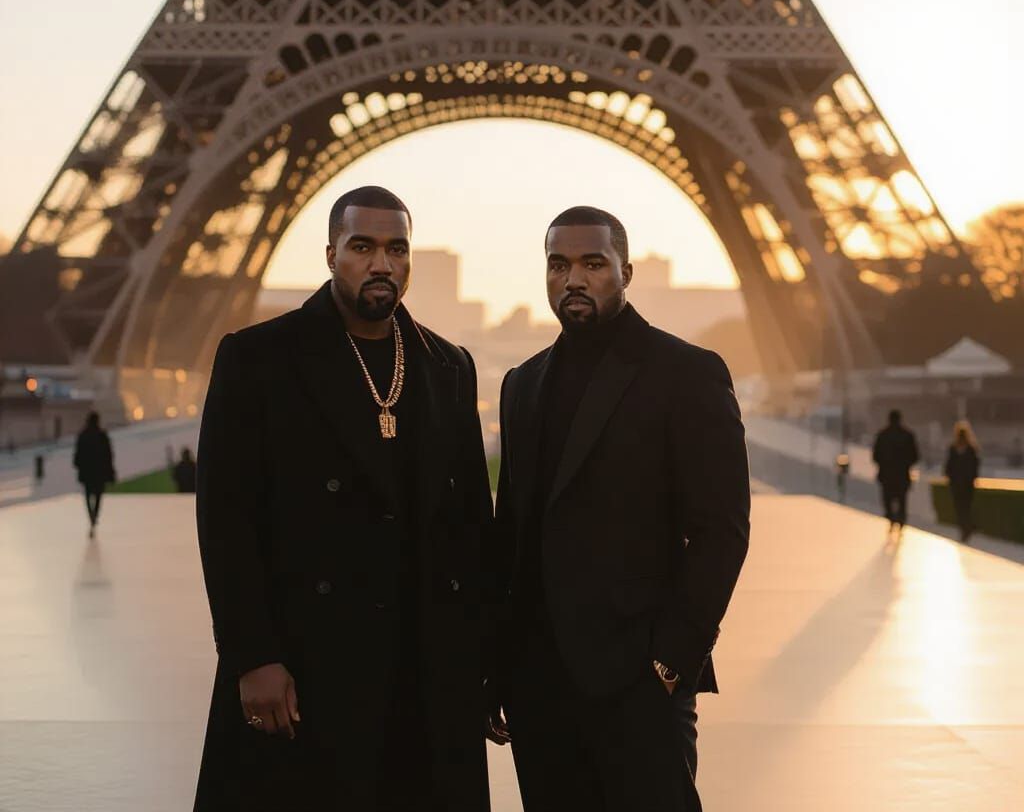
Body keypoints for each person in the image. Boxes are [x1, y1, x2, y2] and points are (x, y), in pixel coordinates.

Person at [193, 186, 495, 812]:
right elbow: (226, 520)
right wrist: (254, 657)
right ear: (331, 254)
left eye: (395, 248)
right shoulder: (256, 358)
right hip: (307, 662)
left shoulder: (449, 367)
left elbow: (471, 529)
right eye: (363, 247)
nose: (380, 264)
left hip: (424, 671)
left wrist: (483, 663)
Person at [491, 206, 751, 812]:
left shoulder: (687, 373)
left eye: (592, 264)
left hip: (641, 683)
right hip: (539, 688)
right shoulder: (521, 384)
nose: (573, 279)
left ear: (625, 271)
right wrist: (501, 668)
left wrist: (670, 663)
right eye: (559, 265)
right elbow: (513, 537)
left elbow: (722, 531)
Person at [871, 409, 919, 534]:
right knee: (902, 499)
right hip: (902, 474)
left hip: (886, 475)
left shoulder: (882, 435)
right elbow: (915, 456)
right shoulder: (908, 435)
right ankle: (901, 520)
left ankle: (891, 518)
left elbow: (875, 456)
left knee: (887, 499)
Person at [73, 411, 116, 538]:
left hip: (87, 472)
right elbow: (108, 455)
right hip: (99, 472)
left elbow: (78, 454)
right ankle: (95, 515)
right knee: (98, 495)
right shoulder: (102, 436)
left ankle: (91, 515)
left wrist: (78, 464)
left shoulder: (83, 435)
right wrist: (110, 471)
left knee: (87, 495)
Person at [944, 421, 981, 543]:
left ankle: (965, 528)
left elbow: (949, 466)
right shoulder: (971, 449)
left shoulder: (954, 449)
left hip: (958, 484)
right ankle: (967, 528)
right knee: (965, 506)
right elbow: (975, 466)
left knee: (960, 507)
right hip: (966, 484)